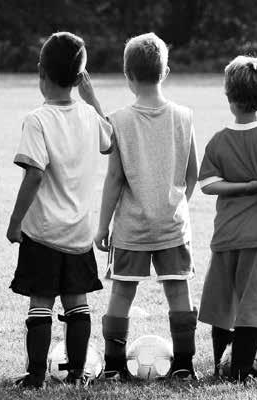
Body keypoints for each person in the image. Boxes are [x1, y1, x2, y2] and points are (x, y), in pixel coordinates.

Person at [7, 32, 113, 389]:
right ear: (80, 76)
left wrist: (14, 221)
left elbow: (35, 173)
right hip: (79, 232)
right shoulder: (87, 115)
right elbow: (109, 138)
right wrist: (92, 96)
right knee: (76, 302)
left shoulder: (37, 119)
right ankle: (79, 373)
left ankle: (36, 376)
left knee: (41, 302)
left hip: (42, 232)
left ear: (41, 70)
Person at [94, 33, 199, 381]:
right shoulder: (184, 116)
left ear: (127, 75)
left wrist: (102, 225)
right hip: (172, 223)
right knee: (178, 290)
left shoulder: (118, 120)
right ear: (165, 71)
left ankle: (112, 367)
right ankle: (185, 365)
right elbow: (192, 171)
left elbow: (114, 179)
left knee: (123, 290)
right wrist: (180, 206)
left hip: (132, 226)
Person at [197, 56, 257, 383]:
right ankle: (239, 371)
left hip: (226, 235)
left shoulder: (219, 140)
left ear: (228, 94)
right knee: (253, 306)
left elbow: (208, 186)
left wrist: (240, 186)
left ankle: (219, 367)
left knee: (223, 302)